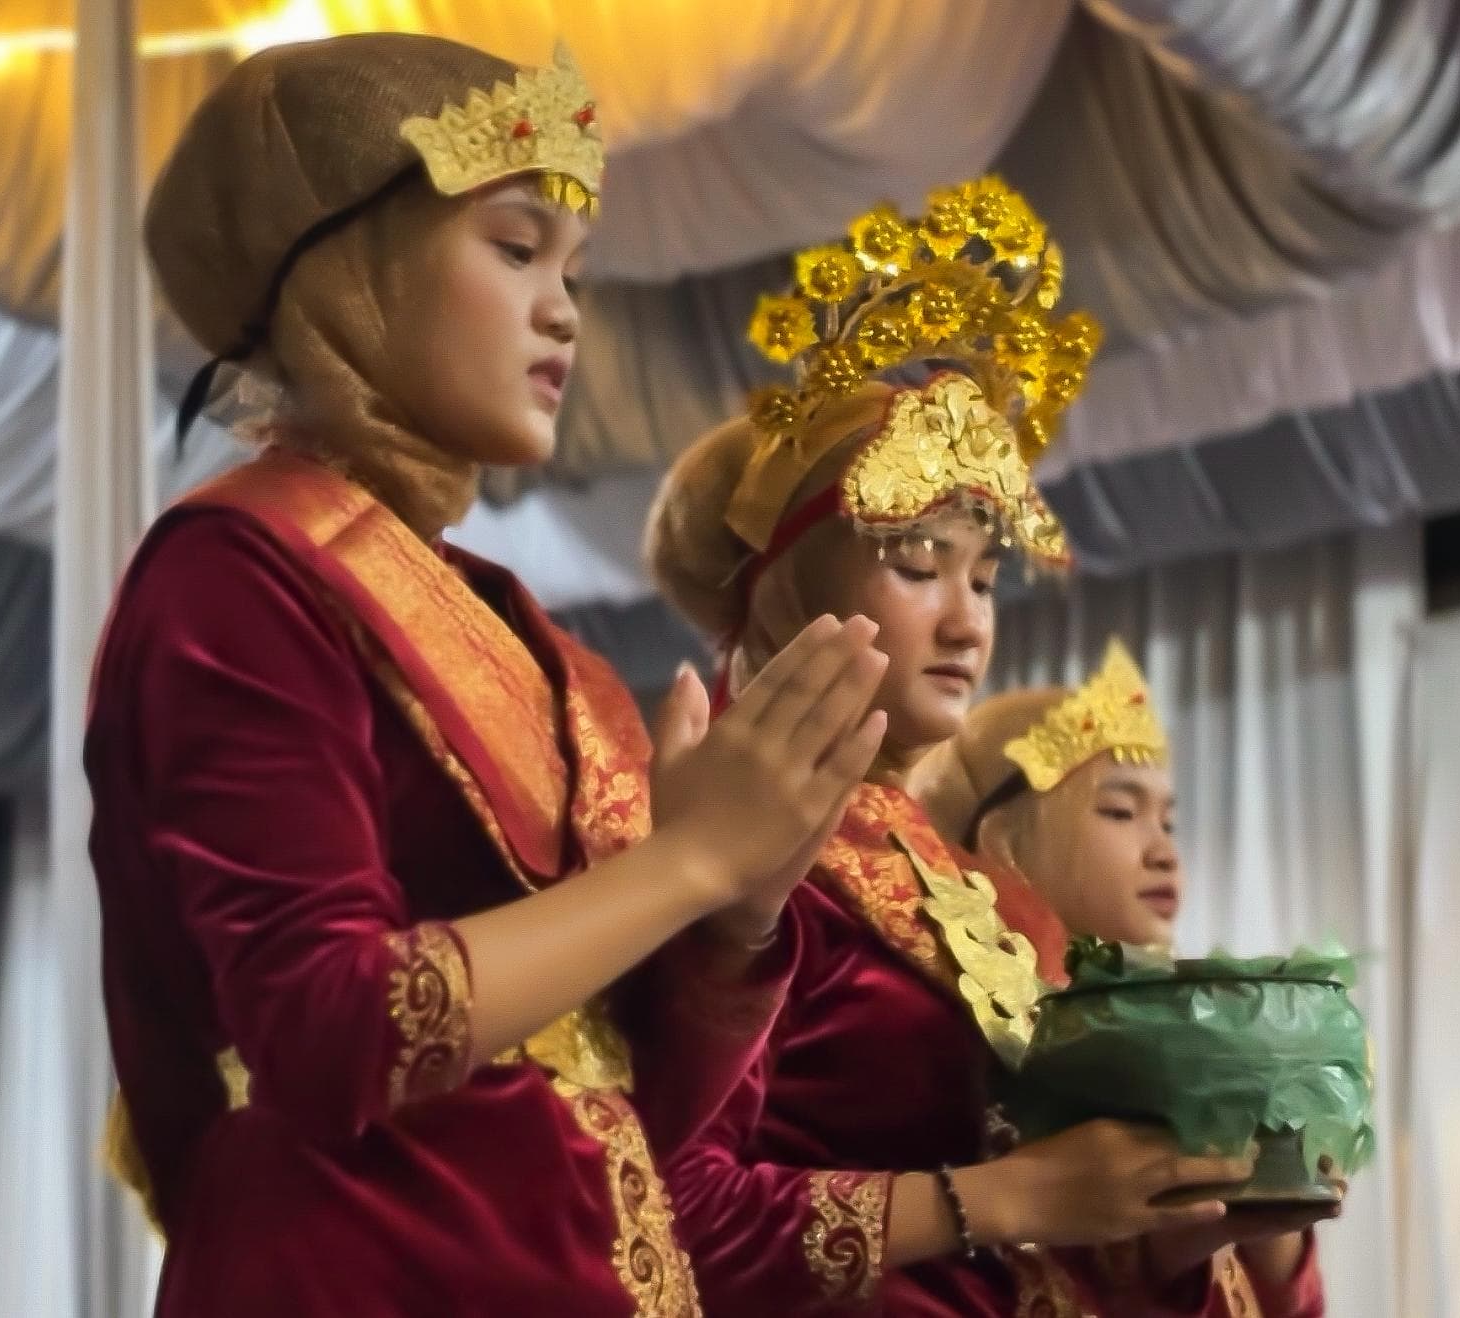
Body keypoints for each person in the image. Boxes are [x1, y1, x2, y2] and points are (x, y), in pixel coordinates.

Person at [90, 35, 891, 1317]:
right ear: (347, 269)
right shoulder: (237, 572)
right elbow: (327, 1032)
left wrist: (735, 909)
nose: (564, 308)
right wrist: (682, 867)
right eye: (513, 249)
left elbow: (640, 1117)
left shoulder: (546, 651)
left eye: (571, 270)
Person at [639, 177, 1268, 1316]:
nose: (968, 617)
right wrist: (1005, 1197)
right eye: (916, 563)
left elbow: (1067, 1232)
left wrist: (1176, 1228)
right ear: (788, 576)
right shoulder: (716, 838)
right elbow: (662, 1215)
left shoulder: (982, 892)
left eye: (982, 574)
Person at [911, 639, 1336, 1317]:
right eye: (1119, 812)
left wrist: (1270, 1226)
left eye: (1168, 820)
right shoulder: (958, 1043)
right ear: (1003, 842)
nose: (1164, 850)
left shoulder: (1170, 1044)